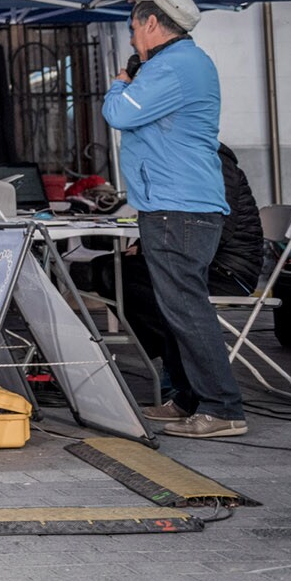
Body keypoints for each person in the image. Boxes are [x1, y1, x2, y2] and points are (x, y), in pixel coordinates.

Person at [102, 0, 246, 439]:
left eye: (132, 28)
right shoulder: (171, 64)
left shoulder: (175, 66)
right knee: (172, 309)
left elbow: (120, 114)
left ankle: (223, 408)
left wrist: (120, 83)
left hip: (179, 207)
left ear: (149, 23)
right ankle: (187, 399)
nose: (130, 39)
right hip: (169, 205)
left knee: (187, 309)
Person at [120, 143, 265, 413]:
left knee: (152, 284)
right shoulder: (183, 160)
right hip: (202, 260)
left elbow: (213, 226)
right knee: (115, 271)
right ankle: (180, 378)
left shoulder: (214, 162)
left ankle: (197, 392)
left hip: (229, 269)